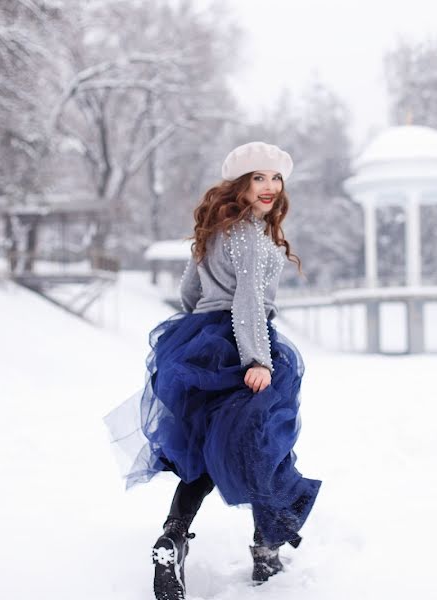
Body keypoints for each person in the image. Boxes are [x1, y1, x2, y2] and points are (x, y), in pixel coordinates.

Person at [103, 141, 321, 600]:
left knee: (210, 448)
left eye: (275, 178)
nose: (269, 187)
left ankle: (174, 537)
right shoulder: (250, 235)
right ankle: (266, 551)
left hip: (205, 342)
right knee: (267, 443)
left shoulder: (216, 230)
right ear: (239, 184)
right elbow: (248, 301)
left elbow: (189, 291)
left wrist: (200, 334)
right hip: (244, 342)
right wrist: (257, 360)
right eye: (258, 178)